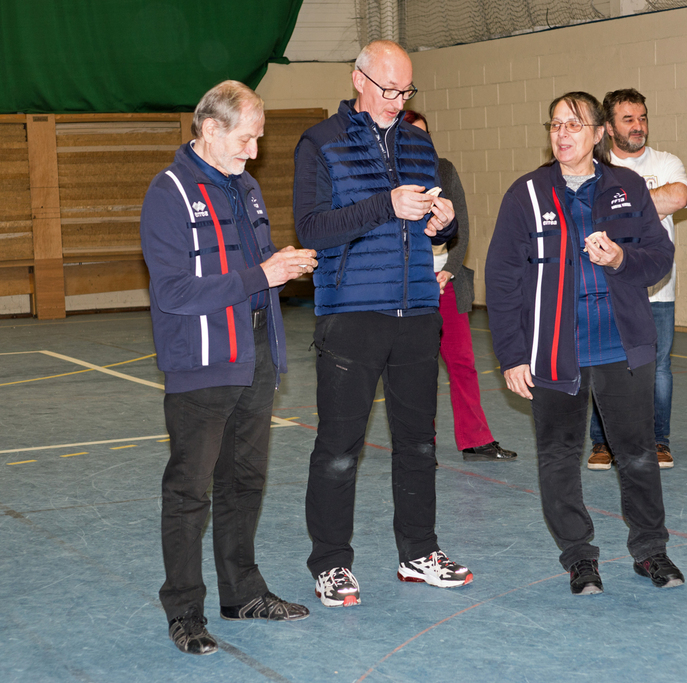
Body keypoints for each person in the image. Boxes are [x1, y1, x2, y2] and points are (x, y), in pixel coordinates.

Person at [140, 81, 318, 655]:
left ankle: (242, 592)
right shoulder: (169, 192)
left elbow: (252, 270)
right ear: (210, 129)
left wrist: (281, 268)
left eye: (258, 139)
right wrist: (261, 276)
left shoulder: (246, 186)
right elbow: (172, 292)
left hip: (255, 353)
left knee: (244, 481)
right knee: (189, 491)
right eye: (246, 138)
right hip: (201, 362)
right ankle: (184, 611)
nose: (254, 151)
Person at [293, 40, 472, 609]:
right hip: (351, 314)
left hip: (417, 312)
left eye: (406, 90)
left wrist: (442, 225)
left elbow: (426, 228)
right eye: (388, 89)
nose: (398, 100)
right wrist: (384, 205)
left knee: (418, 444)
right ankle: (330, 563)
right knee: (339, 448)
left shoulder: (420, 144)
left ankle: (419, 552)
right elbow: (312, 228)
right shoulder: (319, 143)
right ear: (358, 80)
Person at [485, 91, 683, 595]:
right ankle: (578, 557)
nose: (562, 133)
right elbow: (502, 280)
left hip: (622, 346)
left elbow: (659, 257)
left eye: (574, 124)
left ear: (598, 134)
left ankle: (651, 551)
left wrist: (620, 260)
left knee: (637, 454)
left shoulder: (628, 188)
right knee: (558, 456)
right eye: (555, 124)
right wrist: (512, 354)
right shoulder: (526, 194)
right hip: (554, 351)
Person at [402, 110, 517, 463]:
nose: (420, 142)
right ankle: (421, 442)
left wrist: (450, 270)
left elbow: (461, 226)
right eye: (411, 135)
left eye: (425, 135)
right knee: (417, 369)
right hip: (410, 289)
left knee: (463, 362)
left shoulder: (445, 170)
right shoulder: (389, 179)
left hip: (447, 286)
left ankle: (476, 440)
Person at [586, 88, 687, 471]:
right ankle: (602, 443)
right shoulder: (594, 167)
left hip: (657, 288)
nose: (638, 126)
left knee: (658, 367)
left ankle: (658, 440)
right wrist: (645, 207)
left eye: (642, 117)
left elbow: (679, 197)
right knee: (603, 364)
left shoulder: (666, 161)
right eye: (628, 119)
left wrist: (622, 207)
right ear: (609, 127)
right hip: (607, 288)